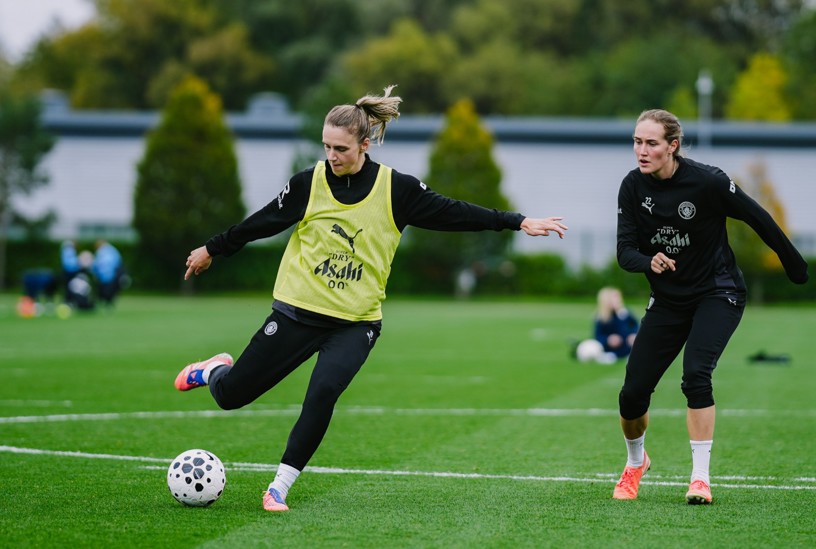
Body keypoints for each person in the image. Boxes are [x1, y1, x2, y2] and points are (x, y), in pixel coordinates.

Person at [176, 86, 568, 512]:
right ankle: (214, 370)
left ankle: (279, 486)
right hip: (295, 314)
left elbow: (456, 212)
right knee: (232, 396)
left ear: (366, 144)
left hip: (355, 323)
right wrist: (213, 248)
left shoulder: (395, 189)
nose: (332, 156)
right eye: (326, 146)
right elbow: (262, 222)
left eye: (341, 148)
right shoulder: (308, 183)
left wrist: (518, 221)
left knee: (323, 392)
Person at [612, 109, 808, 504]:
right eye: (637, 141)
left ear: (673, 145)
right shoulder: (632, 187)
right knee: (632, 395)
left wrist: (794, 264)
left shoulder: (709, 182)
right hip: (668, 300)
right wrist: (648, 261)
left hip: (718, 293)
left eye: (651, 143)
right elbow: (624, 251)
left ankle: (700, 478)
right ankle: (636, 463)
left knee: (696, 375)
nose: (641, 150)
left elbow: (760, 219)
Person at [572, 286, 638, 364]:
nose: (619, 300)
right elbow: (597, 336)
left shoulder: (624, 313)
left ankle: (630, 355)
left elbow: (636, 326)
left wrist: (633, 335)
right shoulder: (601, 317)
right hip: (610, 349)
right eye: (615, 298)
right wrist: (608, 340)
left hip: (626, 346)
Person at [92, 240, 126, 308]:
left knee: (105, 291)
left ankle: (106, 303)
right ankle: (107, 303)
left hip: (106, 275)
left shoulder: (102, 252)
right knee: (107, 291)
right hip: (109, 275)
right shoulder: (112, 250)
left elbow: (97, 264)